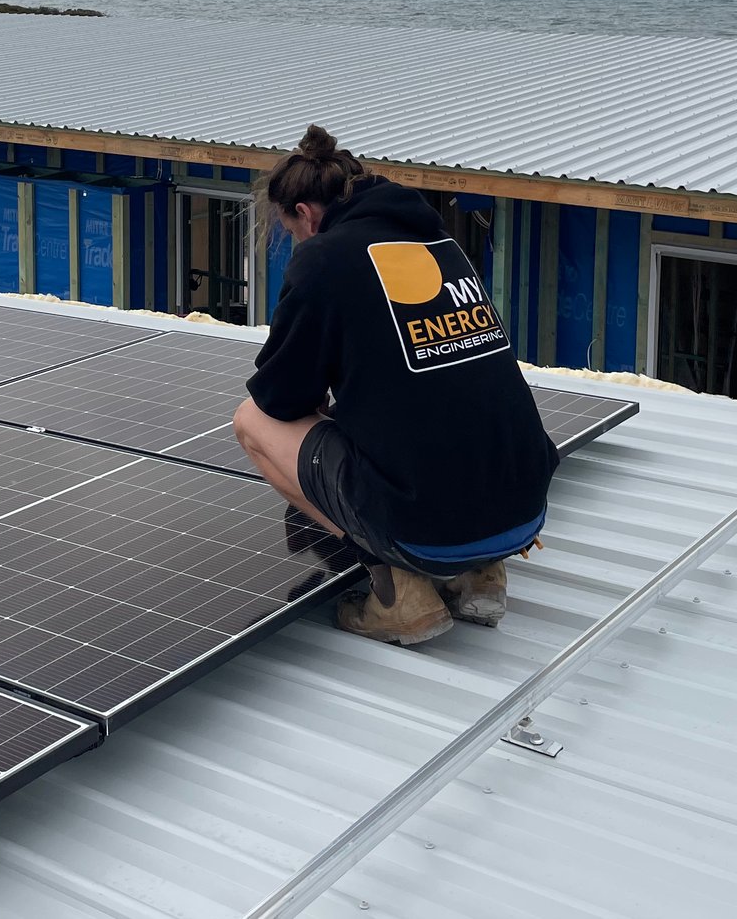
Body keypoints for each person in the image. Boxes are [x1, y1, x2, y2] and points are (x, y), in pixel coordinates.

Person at [232, 124, 558, 646]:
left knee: (250, 422)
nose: (294, 242)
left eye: (291, 231)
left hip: (427, 532)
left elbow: (281, 398)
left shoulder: (323, 258)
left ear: (306, 215)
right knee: (435, 406)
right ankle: (483, 575)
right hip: (525, 508)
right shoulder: (441, 243)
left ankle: (399, 590)